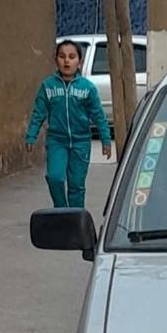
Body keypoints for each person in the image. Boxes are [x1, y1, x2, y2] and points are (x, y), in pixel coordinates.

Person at [25, 40, 112, 208]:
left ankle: (76, 217)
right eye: (62, 56)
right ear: (56, 60)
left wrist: (106, 139)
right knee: (54, 178)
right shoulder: (48, 86)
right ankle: (61, 210)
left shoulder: (87, 88)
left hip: (81, 143)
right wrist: (31, 135)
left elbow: (98, 116)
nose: (66, 61)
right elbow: (39, 113)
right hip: (57, 141)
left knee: (76, 185)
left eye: (72, 57)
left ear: (80, 62)